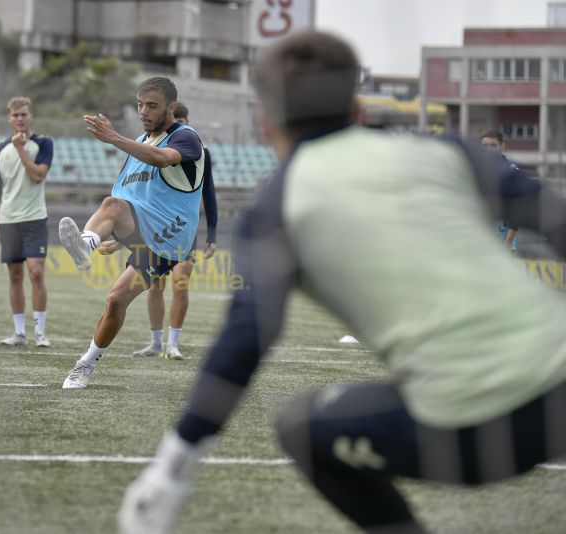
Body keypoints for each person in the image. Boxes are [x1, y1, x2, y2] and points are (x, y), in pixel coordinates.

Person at [119, 31, 566, 534]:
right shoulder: (447, 152)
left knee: (303, 428)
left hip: (475, 425)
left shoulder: (274, 208)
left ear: (266, 122)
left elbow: (244, 340)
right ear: (356, 110)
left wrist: (172, 468)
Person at [58, 76, 206, 389]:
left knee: (112, 208)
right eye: (140, 105)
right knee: (115, 299)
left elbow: (162, 159)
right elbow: (136, 198)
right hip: (145, 232)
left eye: (152, 105)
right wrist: (118, 236)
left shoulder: (186, 137)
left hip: (169, 238)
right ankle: (86, 363)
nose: (143, 111)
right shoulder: (142, 141)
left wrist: (114, 137)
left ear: (171, 107)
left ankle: (86, 245)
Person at [125, 101, 218, 360]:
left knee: (180, 284)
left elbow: (208, 192)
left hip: (183, 230)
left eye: (182, 123)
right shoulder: (153, 149)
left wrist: (212, 235)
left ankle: (173, 344)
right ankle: (155, 343)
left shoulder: (198, 150)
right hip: (155, 228)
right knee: (155, 286)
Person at [0, 96, 53, 347]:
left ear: (30, 116)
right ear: (9, 118)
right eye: (15, 115)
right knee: (15, 275)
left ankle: (40, 333)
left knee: (36, 272)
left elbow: (38, 176)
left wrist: (20, 149)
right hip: (8, 220)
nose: (20, 119)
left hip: (35, 217)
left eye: (24, 114)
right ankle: (19, 333)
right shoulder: (0, 149)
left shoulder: (44, 143)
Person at [480, 128, 520, 252]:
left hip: (502, 243)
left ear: (502, 146)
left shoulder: (512, 171)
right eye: (485, 146)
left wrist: (507, 242)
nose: (488, 149)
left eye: (493, 145)